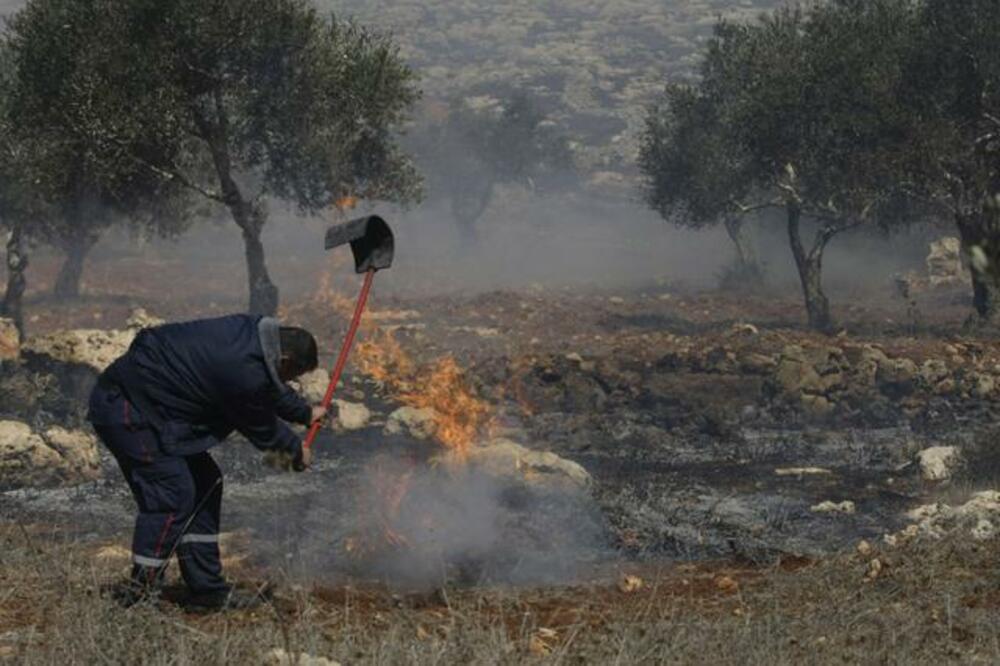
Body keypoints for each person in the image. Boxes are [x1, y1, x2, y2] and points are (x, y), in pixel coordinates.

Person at [87, 314, 330, 611]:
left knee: (206, 483)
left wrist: (304, 413)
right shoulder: (240, 369)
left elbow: (268, 387)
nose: (291, 381)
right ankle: (140, 595)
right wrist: (295, 454)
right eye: (294, 374)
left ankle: (206, 590)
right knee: (173, 495)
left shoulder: (252, 336)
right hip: (127, 409)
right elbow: (260, 426)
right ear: (286, 357)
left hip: (161, 411)